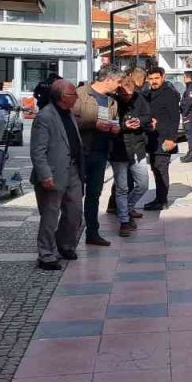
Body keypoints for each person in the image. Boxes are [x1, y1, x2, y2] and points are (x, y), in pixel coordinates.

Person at [30, 79, 84, 270]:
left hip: (73, 171)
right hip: (53, 173)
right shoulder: (45, 117)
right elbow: (38, 150)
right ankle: (46, 255)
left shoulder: (68, 113)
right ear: (63, 97)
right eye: (73, 94)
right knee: (50, 216)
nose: (77, 97)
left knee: (75, 212)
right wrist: (44, 174)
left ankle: (65, 244)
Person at [73, 66, 121, 247]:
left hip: (100, 152)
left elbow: (114, 121)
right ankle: (69, 234)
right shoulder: (80, 94)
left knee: (94, 194)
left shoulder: (112, 102)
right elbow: (70, 121)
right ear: (108, 79)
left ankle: (92, 232)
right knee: (75, 194)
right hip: (80, 152)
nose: (119, 86)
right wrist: (93, 124)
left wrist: (116, 129)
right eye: (117, 82)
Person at [110, 73, 150, 237]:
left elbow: (148, 116)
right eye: (124, 94)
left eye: (130, 94)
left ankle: (127, 207)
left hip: (137, 148)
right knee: (122, 188)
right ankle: (124, 221)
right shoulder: (112, 101)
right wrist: (124, 125)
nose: (128, 97)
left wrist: (140, 122)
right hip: (119, 148)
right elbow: (108, 123)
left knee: (143, 184)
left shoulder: (139, 98)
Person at [143, 67, 180, 210]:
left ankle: (162, 201)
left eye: (156, 78)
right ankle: (158, 198)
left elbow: (175, 118)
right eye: (151, 79)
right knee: (155, 168)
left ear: (163, 77)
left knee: (161, 169)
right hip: (152, 139)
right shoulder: (148, 94)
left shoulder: (169, 94)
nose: (153, 82)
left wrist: (172, 138)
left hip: (164, 139)